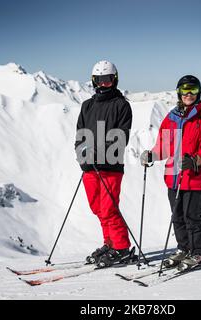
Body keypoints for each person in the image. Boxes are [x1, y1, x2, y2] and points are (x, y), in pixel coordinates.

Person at [140, 75, 201, 269]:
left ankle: (200, 253)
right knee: (177, 216)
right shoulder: (172, 117)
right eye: (185, 90)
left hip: (195, 177)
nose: (189, 94)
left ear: (198, 92)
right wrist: (152, 155)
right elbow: (164, 146)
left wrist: (195, 160)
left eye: (193, 90)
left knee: (192, 216)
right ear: (179, 92)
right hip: (174, 176)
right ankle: (184, 249)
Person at [75, 60, 134, 267]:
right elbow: (80, 135)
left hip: (110, 167)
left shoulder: (122, 105)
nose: (103, 85)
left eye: (107, 80)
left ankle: (121, 248)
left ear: (115, 80)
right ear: (93, 81)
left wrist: (98, 154)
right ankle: (109, 243)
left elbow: (121, 137)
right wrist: (82, 155)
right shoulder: (87, 106)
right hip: (89, 168)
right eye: (99, 81)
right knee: (97, 208)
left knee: (109, 208)